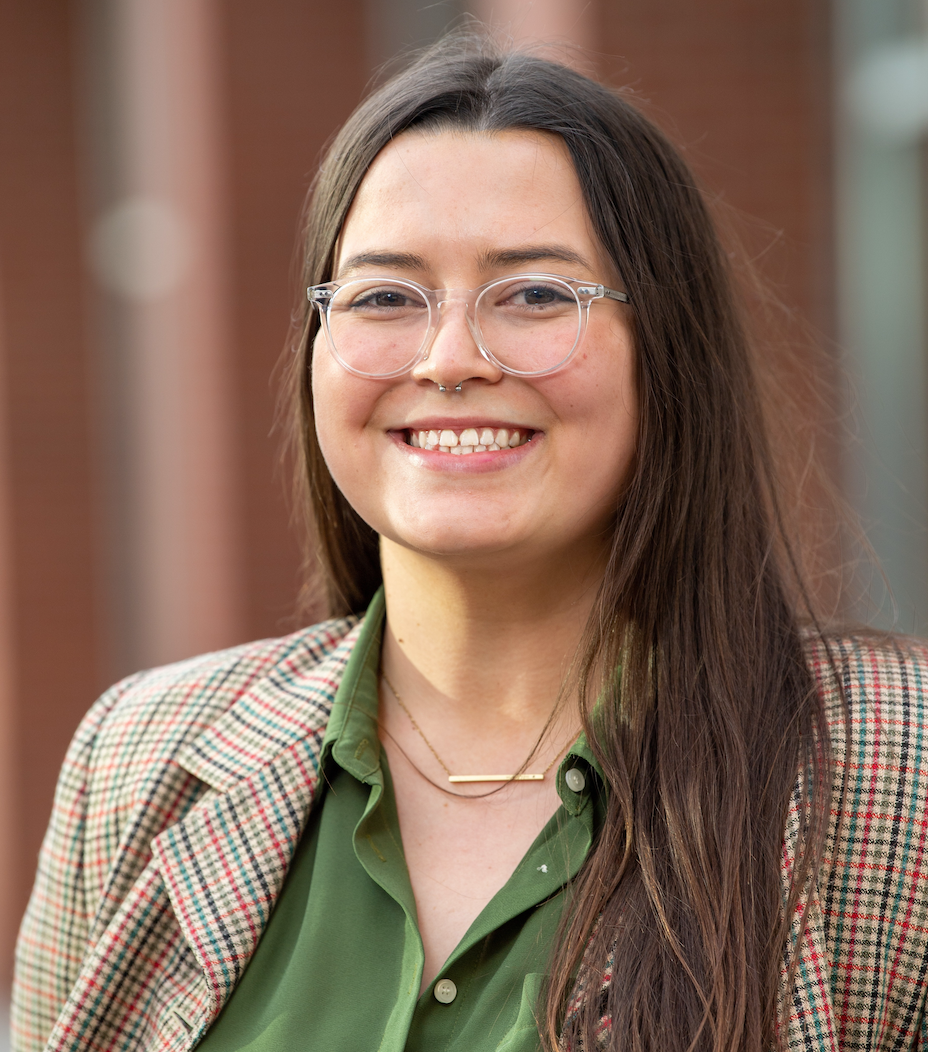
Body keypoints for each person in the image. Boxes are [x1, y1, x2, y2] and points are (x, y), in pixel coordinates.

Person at [12, 31, 928, 1052]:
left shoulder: (896, 768)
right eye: (384, 297)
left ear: (665, 347)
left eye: (534, 293)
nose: (449, 357)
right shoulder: (138, 758)